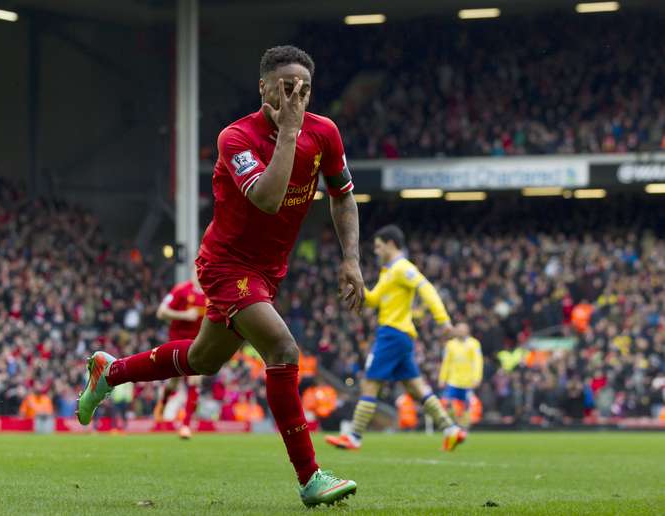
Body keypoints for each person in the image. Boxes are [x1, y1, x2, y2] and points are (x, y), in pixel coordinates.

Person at [76, 45, 364, 507]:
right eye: (287, 86)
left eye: (305, 89)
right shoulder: (236, 138)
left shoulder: (325, 133)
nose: (297, 96)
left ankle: (111, 372)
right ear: (264, 87)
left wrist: (351, 258)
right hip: (227, 264)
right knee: (283, 348)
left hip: (270, 270)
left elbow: (342, 195)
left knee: (204, 359)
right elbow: (268, 200)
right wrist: (288, 133)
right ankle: (311, 477)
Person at [325, 225, 465, 451]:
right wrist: (353, 288)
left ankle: (354, 436)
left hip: (392, 333)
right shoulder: (388, 272)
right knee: (416, 387)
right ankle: (451, 429)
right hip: (400, 335)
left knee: (370, 382)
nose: (376, 251)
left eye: (379, 246)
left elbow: (426, 288)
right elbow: (373, 300)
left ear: (391, 243)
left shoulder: (402, 268)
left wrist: (444, 321)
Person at [154, 273, 207, 439]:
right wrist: (184, 315)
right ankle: (163, 403)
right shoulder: (181, 290)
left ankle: (186, 425)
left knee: (195, 380)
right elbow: (161, 312)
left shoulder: (211, 293)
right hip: (177, 344)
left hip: (197, 345)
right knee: (174, 384)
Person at [438, 322, 483, 429]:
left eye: (463, 329)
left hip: (468, 382)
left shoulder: (474, 344)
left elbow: (478, 362)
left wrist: (477, 378)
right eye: (459, 329)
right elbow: (446, 362)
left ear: (468, 331)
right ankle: (453, 424)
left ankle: (464, 426)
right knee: (448, 402)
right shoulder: (450, 345)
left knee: (466, 405)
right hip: (453, 380)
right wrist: (442, 378)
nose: (460, 331)